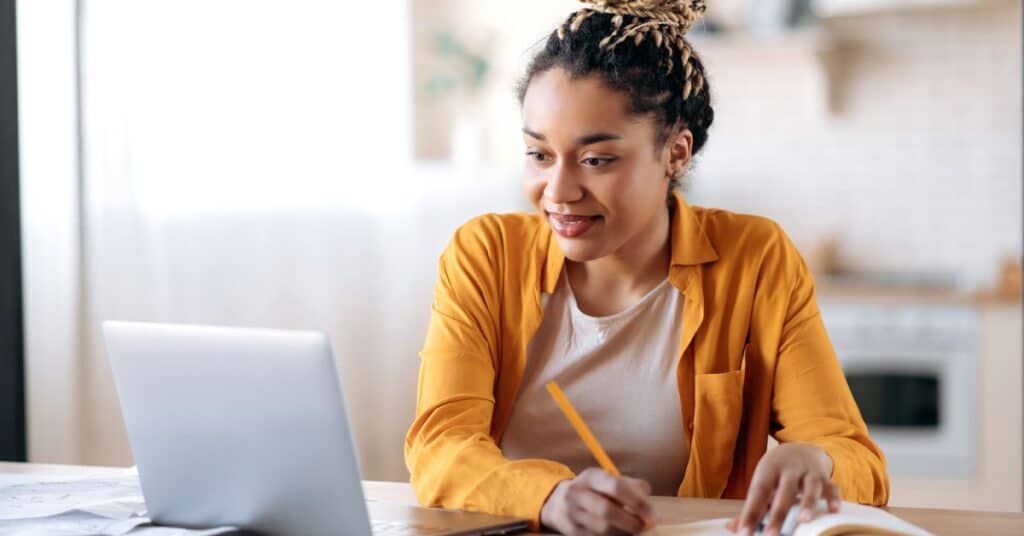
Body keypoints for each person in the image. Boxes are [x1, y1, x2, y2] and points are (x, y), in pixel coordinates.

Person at [404, 1, 889, 534]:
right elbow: (440, 446)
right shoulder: (486, 255)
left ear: (675, 153)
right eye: (539, 155)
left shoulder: (755, 260)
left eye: (597, 160)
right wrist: (550, 498)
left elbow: (858, 461)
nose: (559, 192)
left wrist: (817, 462)